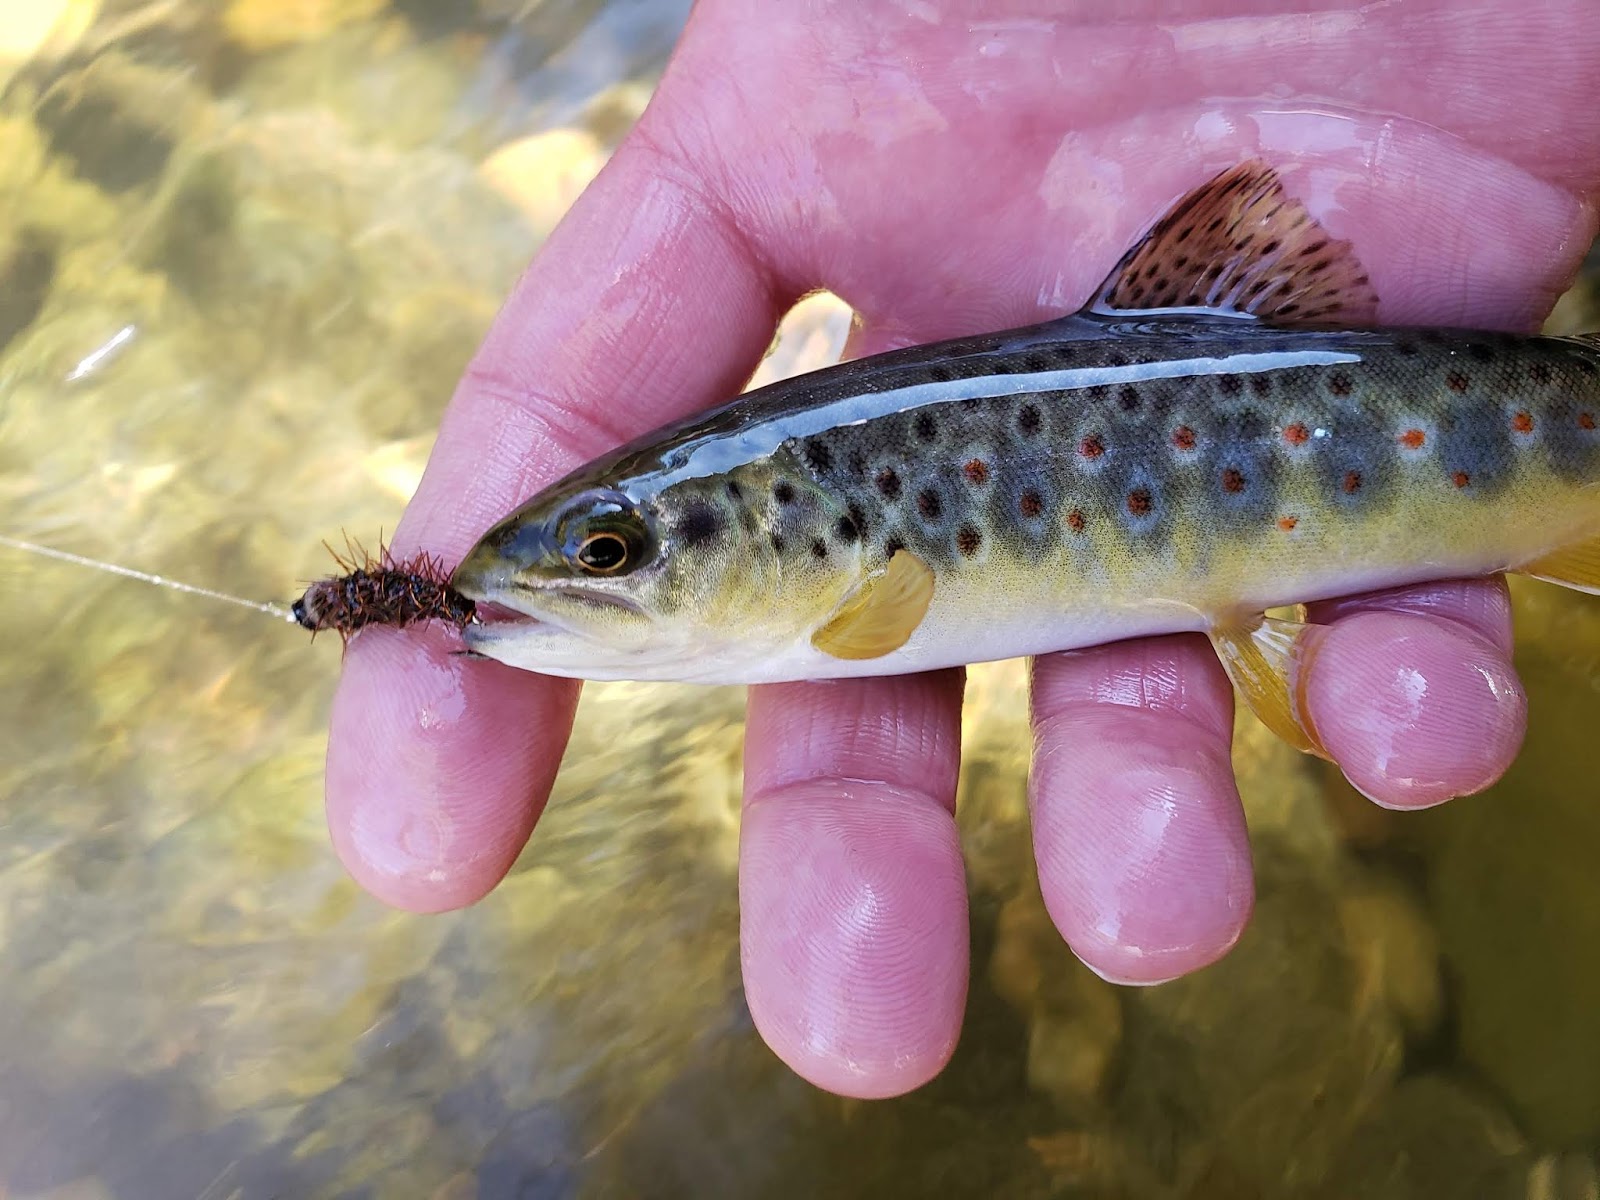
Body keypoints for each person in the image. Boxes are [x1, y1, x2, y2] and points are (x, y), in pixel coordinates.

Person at [324, 0, 1600, 1099]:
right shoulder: (827, 557)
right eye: (611, 551)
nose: (570, 582)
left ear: (784, 524)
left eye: (610, 549)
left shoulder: (852, 589)